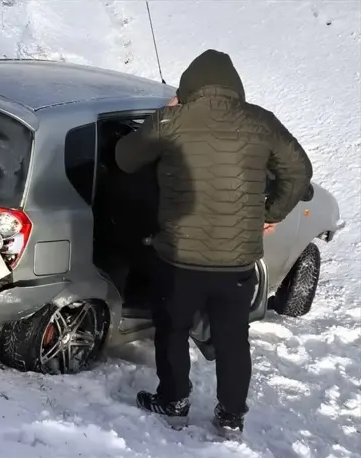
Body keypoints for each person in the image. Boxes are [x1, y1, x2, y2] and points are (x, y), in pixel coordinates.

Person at [114, 49, 313, 434]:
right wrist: (269, 214)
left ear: (189, 85)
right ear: (234, 86)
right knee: (233, 339)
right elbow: (299, 170)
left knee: (171, 330)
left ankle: (173, 401)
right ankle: (231, 416)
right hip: (237, 263)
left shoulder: (172, 120)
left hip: (178, 257)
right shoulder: (261, 121)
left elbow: (124, 158)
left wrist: (166, 112)